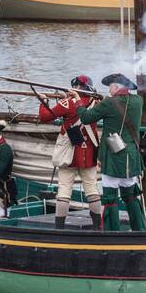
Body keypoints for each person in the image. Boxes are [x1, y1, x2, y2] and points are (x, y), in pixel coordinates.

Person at [72, 73, 146, 231]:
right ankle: (139, 230)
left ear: (116, 87)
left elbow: (85, 118)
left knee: (110, 198)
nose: (109, 89)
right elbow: (116, 111)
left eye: (111, 86)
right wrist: (103, 103)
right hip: (131, 157)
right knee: (131, 195)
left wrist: (77, 100)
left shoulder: (110, 103)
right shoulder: (138, 101)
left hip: (113, 157)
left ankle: (112, 232)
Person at [38, 75, 103, 228]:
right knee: (92, 189)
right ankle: (97, 227)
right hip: (90, 152)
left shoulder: (67, 103)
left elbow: (45, 117)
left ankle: (59, 228)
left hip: (69, 153)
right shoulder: (97, 102)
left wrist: (44, 101)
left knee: (64, 189)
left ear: (77, 87)